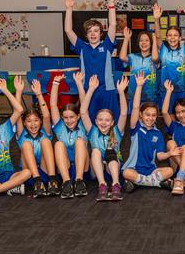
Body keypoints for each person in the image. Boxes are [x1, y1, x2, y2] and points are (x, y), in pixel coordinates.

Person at [64, 0, 119, 118]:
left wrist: (111, 3)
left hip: (107, 89)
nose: (93, 34)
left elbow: (112, 25)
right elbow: (68, 31)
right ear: (86, 35)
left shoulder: (107, 45)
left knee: (110, 121)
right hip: (88, 90)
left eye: (96, 31)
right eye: (89, 31)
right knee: (90, 121)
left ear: (101, 33)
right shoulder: (82, 47)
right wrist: (68, 9)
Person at [76, 73, 128, 202]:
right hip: (96, 169)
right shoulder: (92, 131)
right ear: (95, 121)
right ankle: (102, 186)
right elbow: (83, 112)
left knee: (110, 150)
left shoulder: (116, 130)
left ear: (112, 123)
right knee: (96, 151)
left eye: (107, 120)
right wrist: (91, 89)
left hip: (113, 168)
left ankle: (116, 186)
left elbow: (123, 113)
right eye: (100, 120)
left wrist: (121, 92)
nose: (103, 123)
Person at [122, 72, 175, 192]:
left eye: (153, 115)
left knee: (170, 171)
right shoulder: (135, 127)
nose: (150, 118)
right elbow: (135, 107)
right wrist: (139, 86)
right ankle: (157, 184)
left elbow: (160, 156)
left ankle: (138, 183)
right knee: (126, 172)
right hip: (134, 169)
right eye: (147, 115)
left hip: (151, 170)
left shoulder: (158, 134)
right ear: (141, 115)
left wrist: (170, 153)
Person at [15, 79, 57, 198]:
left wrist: (39, 94)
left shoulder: (45, 132)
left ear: (41, 121)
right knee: (26, 144)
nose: (33, 124)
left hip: (46, 172)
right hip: (29, 175)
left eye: (36, 120)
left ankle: (53, 181)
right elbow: (18, 113)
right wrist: (18, 92)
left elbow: (47, 115)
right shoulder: (22, 134)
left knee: (45, 141)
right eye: (28, 121)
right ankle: (37, 182)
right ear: (24, 123)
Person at [50, 74, 89, 199]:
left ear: (78, 117)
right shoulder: (60, 127)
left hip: (83, 168)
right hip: (65, 167)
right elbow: (53, 106)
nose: (69, 120)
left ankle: (79, 181)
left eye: (72, 117)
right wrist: (56, 83)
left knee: (79, 141)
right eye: (65, 117)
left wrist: (78, 83)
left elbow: (84, 105)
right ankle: (66, 182)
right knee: (58, 143)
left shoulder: (83, 124)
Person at [153, 3, 185, 114]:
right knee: (169, 115)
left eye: (175, 35)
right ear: (166, 37)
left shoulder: (184, 51)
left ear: (180, 37)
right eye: (170, 35)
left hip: (182, 90)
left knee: (182, 115)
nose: (172, 38)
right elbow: (157, 36)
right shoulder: (163, 51)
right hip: (166, 90)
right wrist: (156, 20)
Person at [119, 26, 158, 106]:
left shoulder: (154, 57)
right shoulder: (133, 57)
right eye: (141, 40)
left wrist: (155, 41)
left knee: (149, 118)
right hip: (134, 94)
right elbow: (122, 57)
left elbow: (155, 58)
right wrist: (126, 39)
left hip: (150, 96)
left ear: (150, 43)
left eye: (147, 40)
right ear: (138, 43)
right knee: (133, 117)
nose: (143, 43)